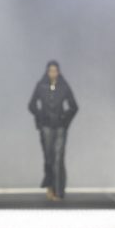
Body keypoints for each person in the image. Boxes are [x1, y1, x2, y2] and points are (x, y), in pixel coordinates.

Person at [28, 60, 78, 201]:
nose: (53, 73)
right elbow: (31, 105)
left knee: (58, 159)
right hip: (46, 127)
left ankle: (59, 192)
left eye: (55, 70)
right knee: (49, 159)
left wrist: (65, 119)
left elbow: (74, 106)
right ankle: (50, 186)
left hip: (60, 127)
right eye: (50, 70)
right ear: (47, 72)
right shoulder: (41, 86)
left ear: (59, 72)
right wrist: (40, 116)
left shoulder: (64, 86)